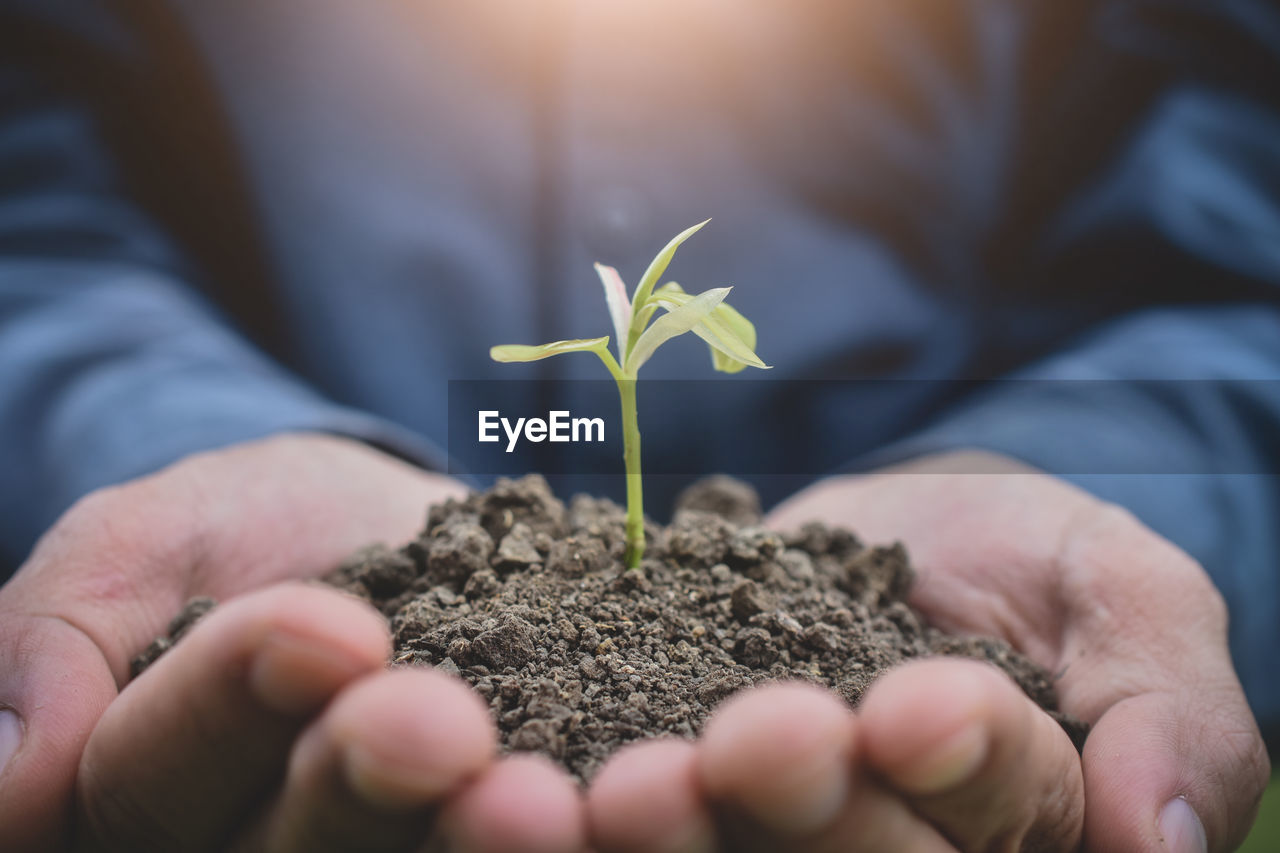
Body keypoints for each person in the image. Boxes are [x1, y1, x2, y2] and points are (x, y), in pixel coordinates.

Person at [0, 0, 1274, 849]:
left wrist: (1074, 486)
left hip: (914, 584)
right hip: (311, 575)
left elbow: (1240, 243)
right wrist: (154, 445)